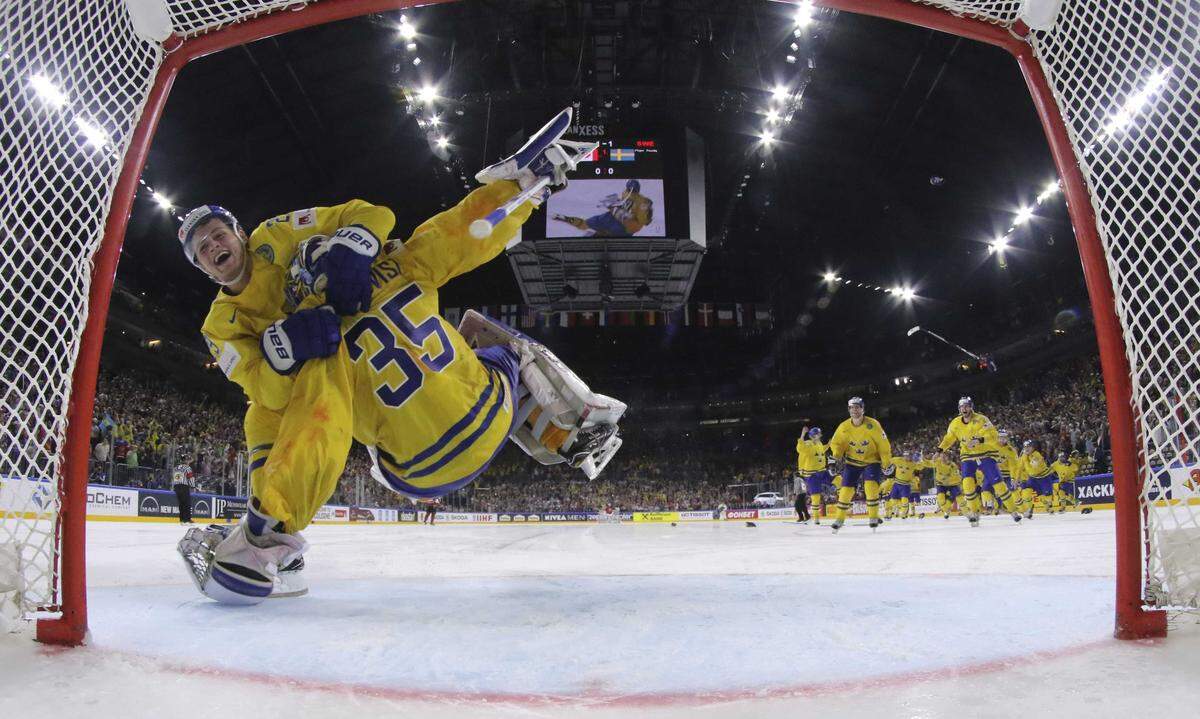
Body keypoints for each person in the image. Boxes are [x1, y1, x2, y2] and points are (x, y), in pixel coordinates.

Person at [176, 108, 626, 604]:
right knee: (481, 331)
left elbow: (295, 408)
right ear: (200, 266)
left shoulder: (307, 337)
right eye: (202, 248)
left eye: (217, 234)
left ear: (239, 235)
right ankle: (572, 425)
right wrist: (522, 190)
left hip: (411, 473)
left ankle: (268, 535)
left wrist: (286, 350)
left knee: (285, 413)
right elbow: (457, 233)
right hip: (488, 417)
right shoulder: (398, 261)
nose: (214, 245)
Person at [937, 397, 1021, 527]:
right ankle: (975, 512)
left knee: (998, 485)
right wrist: (940, 449)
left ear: (971, 407)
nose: (964, 409)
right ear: (959, 409)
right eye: (962, 407)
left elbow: (993, 434)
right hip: (967, 456)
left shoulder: (982, 419)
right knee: (967, 485)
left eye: (966, 406)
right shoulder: (955, 423)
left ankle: (1013, 511)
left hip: (985, 454)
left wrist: (980, 440)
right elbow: (949, 438)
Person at [827, 397, 891, 533]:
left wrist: (886, 463)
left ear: (863, 409)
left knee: (871, 487)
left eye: (857, 407)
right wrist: (835, 458)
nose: (855, 410)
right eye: (852, 407)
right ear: (849, 410)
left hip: (871, 461)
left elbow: (883, 445)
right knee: (845, 491)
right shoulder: (843, 427)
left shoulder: (873, 424)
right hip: (852, 462)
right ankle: (839, 519)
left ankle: (873, 517)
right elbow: (837, 444)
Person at [552, 179, 654, 236]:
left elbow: (641, 222)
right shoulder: (626, 193)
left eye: (630, 189)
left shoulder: (642, 202)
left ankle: (596, 234)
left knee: (602, 233)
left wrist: (621, 213)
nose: (629, 191)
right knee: (586, 224)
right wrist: (612, 205)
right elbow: (615, 203)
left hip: (624, 228)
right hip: (613, 218)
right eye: (628, 189)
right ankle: (567, 219)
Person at [795, 425, 830, 524]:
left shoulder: (819, 443)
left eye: (820, 433)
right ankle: (814, 518)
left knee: (837, 480)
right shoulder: (808, 443)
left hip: (821, 471)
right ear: (813, 435)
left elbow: (822, 450)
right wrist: (802, 434)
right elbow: (799, 448)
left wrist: (829, 444)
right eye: (818, 433)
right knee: (813, 496)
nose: (820, 435)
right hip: (810, 474)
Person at [1018, 440, 1056, 518]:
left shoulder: (1037, 455)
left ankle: (1048, 507)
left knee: (1045, 495)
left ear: (1033, 448)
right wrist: (1015, 479)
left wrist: (1030, 461)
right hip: (1032, 478)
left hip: (1043, 477)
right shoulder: (1023, 456)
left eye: (1029, 447)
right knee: (1025, 492)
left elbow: (1035, 466)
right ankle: (1029, 509)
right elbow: (1019, 468)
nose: (1027, 449)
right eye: (1025, 447)